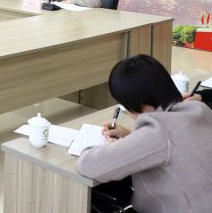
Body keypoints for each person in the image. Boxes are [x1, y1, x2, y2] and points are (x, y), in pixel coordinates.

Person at [77, 55, 212, 213]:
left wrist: (112, 145)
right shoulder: (199, 109)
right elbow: (172, 145)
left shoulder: (158, 133)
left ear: (139, 104)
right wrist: (131, 136)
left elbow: (88, 165)